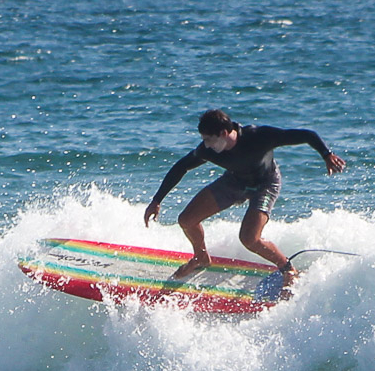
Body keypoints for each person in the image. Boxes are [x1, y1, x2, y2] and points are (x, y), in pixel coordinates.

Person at [144, 109, 345, 283]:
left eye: (209, 139)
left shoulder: (258, 136)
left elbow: (307, 135)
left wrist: (326, 154)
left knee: (249, 239)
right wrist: (156, 200)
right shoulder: (209, 150)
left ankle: (287, 268)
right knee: (186, 220)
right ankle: (201, 257)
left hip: (265, 184)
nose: (206, 145)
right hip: (235, 181)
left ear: (224, 133)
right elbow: (181, 167)